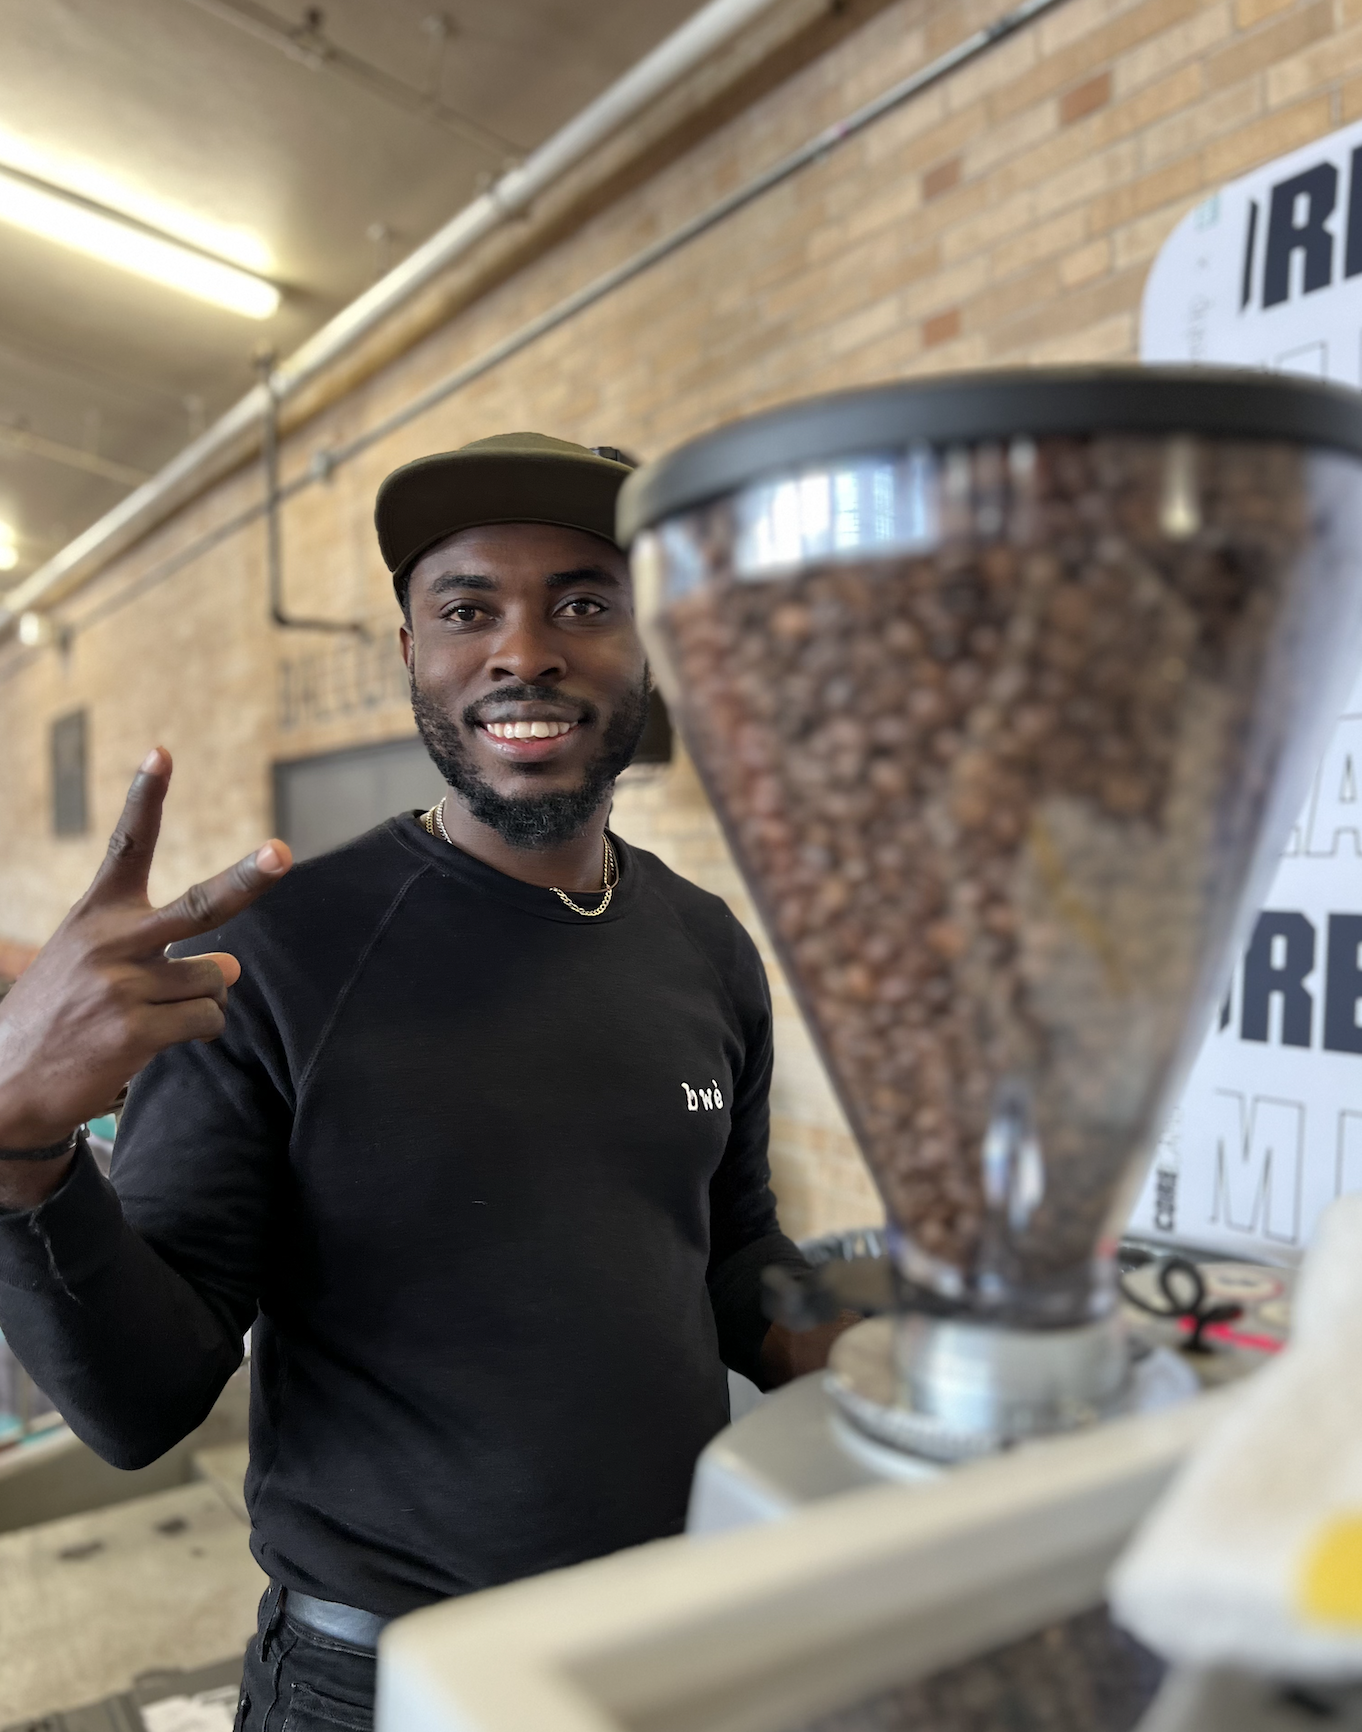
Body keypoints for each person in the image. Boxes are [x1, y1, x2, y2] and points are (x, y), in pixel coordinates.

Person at [0, 434, 844, 1729]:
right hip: (379, 1682)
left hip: (662, 1644)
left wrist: (863, 1347)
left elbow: (731, 1253)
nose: (522, 651)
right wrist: (24, 1150)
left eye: (581, 603)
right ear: (411, 655)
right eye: (465, 611)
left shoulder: (705, 945)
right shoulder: (278, 956)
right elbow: (138, 1403)